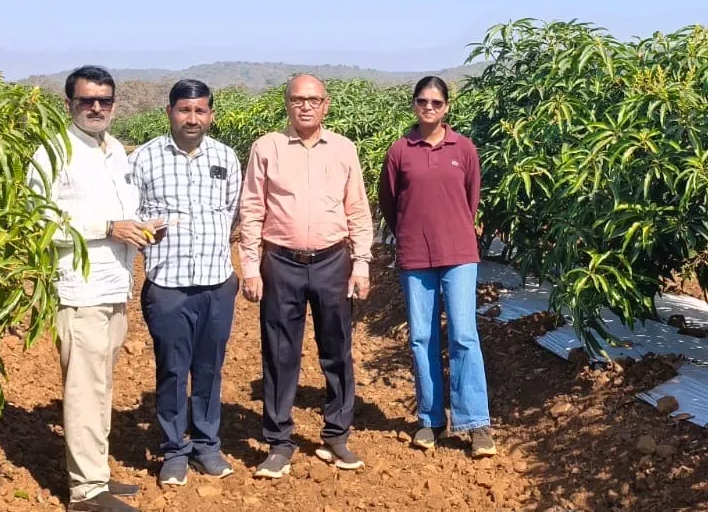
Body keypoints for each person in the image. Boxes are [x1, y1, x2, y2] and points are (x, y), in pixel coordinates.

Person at [26, 65, 159, 512]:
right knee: (84, 390)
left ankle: (96, 475)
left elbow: (121, 214)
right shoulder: (53, 153)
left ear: (115, 104)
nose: (97, 107)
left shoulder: (116, 150)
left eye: (104, 100)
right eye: (87, 100)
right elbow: (39, 223)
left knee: (101, 386)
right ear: (69, 104)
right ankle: (85, 492)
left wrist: (141, 228)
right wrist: (107, 227)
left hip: (113, 287)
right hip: (78, 290)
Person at [236, 73, 375, 479]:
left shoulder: (344, 150)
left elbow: (358, 210)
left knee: (338, 349)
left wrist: (361, 262)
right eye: (298, 100)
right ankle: (279, 442)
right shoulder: (267, 148)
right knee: (280, 353)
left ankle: (337, 435)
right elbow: (252, 209)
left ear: (326, 105)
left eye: (313, 99)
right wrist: (250, 266)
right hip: (280, 263)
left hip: (334, 261)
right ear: (287, 105)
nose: (306, 106)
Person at [128, 79, 244, 485]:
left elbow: (233, 212)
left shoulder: (226, 157)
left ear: (211, 115)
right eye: (184, 110)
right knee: (173, 369)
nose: (191, 118)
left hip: (216, 283)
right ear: (169, 112)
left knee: (210, 367)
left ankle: (207, 446)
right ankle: (174, 449)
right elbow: (132, 214)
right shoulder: (144, 159)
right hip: (168, 285)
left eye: (199, 111)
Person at [377, 76, 496, 458]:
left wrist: (451, 229)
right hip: (415, 256)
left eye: (436, 102)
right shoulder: (400, 151)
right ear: (413, 105)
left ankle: (476, 422)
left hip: (459, 254)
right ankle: (430, 420)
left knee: (463, 335)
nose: (429, 108)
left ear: (446, 107)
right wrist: (411, 233)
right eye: (422, 101)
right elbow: (390, 203)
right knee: (421, 338)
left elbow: (470, 198)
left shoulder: (464, 148)